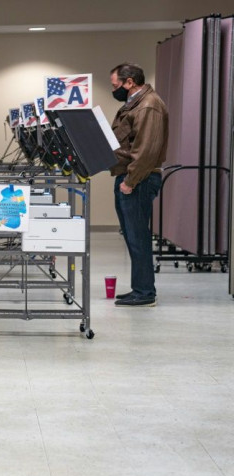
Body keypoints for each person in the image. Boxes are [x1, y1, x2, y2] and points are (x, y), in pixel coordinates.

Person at [109, 63, 168, 307]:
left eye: (116, 85)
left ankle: (144, 292)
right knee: (133, 236)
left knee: (138, 236)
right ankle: (140, 287)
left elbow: (146, 150)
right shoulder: (136, 103)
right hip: (129, 177)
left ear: (130, 81)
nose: (114, 89)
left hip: (139, 179)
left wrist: (130, 181)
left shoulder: (148, 105)